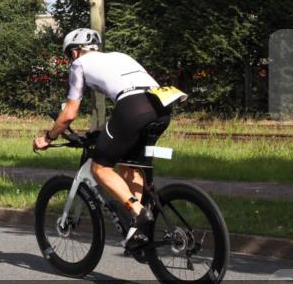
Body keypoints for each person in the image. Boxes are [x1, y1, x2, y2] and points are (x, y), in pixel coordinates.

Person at [33, 28, 183, 248]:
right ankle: (137, 229)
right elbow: (132, 102)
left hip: (134, 108)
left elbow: (69, 114)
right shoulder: (120, 56)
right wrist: (103, 130)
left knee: (100, 168)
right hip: (162, 106)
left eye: (69, 55)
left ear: (74, 52)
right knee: (128, 164)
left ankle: (139, 211)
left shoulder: (79, 64)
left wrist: (48, 137)